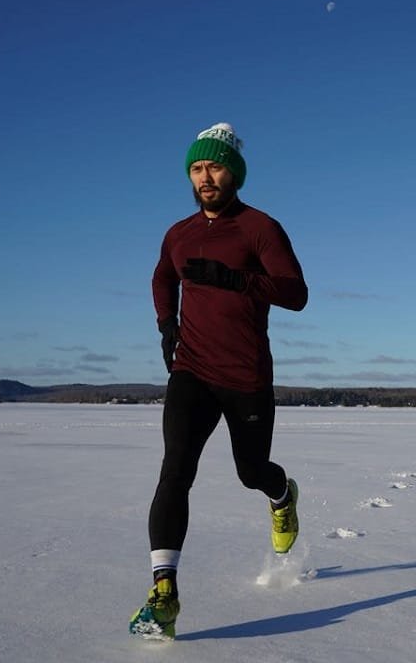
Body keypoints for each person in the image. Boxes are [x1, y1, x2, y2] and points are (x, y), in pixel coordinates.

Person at [129, 122, 309, 640]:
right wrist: (167, 324)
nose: (204, 176)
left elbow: (296, 293)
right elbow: (163, 274)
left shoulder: (260, 228)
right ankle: (164, 590)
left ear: (234, 172)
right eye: (196, 167)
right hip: (192, 370)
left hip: (246, 375)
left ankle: (281, 495)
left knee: (250, 471)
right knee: (175, 470)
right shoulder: (178, 234)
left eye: (214, 166)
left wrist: (237, 280)